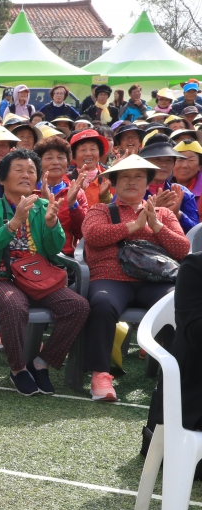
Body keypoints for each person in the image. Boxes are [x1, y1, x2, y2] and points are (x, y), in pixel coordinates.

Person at [0, 148, 89, 394]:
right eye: (19, 170)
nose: (26, 175)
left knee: (78, 306)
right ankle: (18, 369)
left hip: (36, 277)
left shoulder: (43, 205)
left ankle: (40, 363)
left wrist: (51, 224)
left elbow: (55, 248)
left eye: (31, 171)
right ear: (2, 178)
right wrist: (13, 223)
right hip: (0, 277)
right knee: (14, 306)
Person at [81, 154, 190, 401]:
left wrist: (155, 225)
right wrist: (133, 226)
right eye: (126, 177)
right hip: (111, 278)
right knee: (102, 304)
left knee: (178, 303)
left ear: (147, 183)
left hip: (155, 280)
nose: (132, 182)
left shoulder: (163, 213)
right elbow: (93, 235)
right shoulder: (100, 209)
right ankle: (100, 375)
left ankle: (177, 374)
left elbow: (184, 250)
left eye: (139, 177)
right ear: (114, 184)